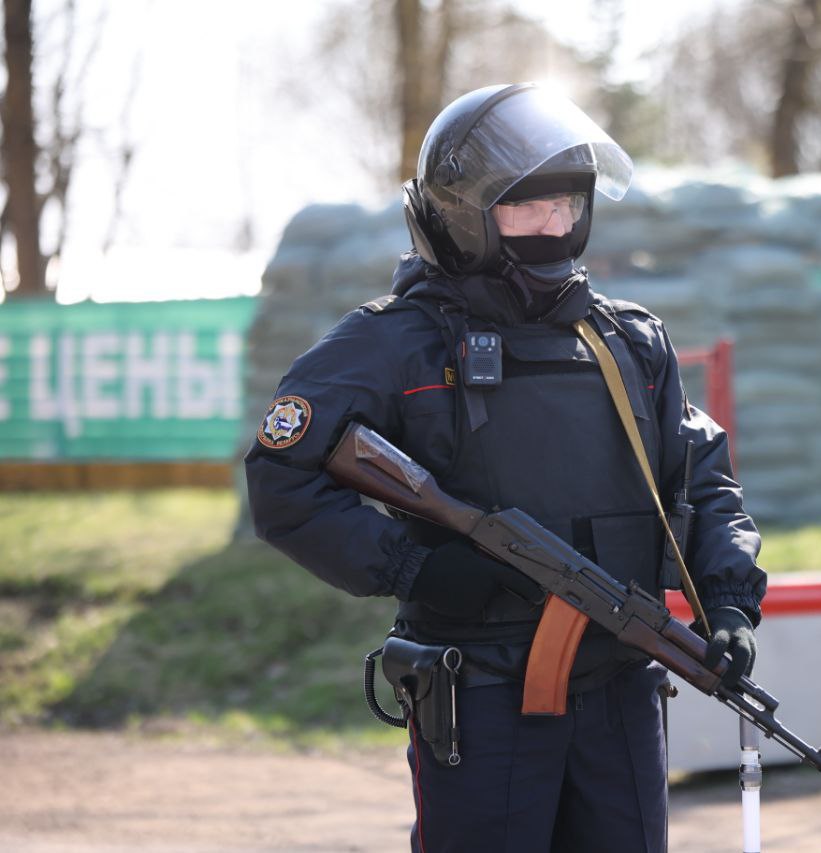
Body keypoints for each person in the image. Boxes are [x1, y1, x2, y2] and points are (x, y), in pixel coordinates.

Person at [244, 82, 766, 853]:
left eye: (567, 206)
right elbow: (281, 474)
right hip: (480, 689)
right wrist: (413, 567)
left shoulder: (628, 342)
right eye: (527, 208)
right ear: (463, 219)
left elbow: (703, 482)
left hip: (622, 686)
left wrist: (727, 603)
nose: (554, 227)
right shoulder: (394, 344)